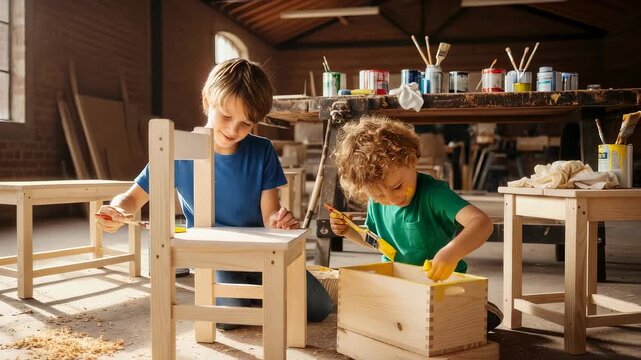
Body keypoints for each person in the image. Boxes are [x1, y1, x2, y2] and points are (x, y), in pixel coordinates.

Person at [95, 58, 332, 328]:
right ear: (207, 101)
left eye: (246, 124)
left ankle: (256, 289)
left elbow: (269, 216)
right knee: (228, 318)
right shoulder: (178, 149)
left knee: (319, 308)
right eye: (227, 116)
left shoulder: (262, 150)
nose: (233, 130)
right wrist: (116, 209)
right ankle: (239, 288)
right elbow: (133, 197)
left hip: (259, 250)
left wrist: (278, 222)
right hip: (215, 253)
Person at [329, 114, 503, 331]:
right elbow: (378, 242)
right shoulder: (377, 202)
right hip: (399, 282)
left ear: (411, 159)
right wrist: (348, 231)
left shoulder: (434, 193)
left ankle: (476, 309)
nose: (392, 199)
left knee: (444, 321)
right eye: (379, 196)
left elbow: (482, 223)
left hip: (442, 283)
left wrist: (452, 252)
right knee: (370, 310)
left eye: (397, 187)